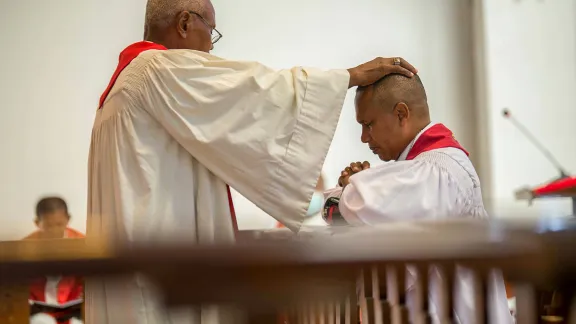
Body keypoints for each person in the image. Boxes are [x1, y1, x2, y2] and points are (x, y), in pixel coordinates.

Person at [86, 0, 418, 322]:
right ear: (185, 23)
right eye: (211, 32)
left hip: (136, 268)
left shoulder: (125, 86)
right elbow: (258, 91)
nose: (211, 48)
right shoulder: (157, 69)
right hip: (160, 275)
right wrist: (350, 76)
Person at [323, 74, 513, 323]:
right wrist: (352, 192)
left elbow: (354, 206)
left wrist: (351, 189)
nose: (364, 137)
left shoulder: (437, 170)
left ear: (401, 114)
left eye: (368, 124)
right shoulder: (419, 168)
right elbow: (344, 210)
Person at [25, 197, 84, 324]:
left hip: (75, 309)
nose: (54, 231)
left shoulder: (82, 243)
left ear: (68, 219)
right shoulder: (25, 247)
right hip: (39, 310)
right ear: (37, 222)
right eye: (48, 226)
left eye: (59, 224)